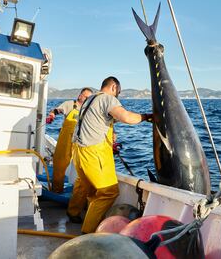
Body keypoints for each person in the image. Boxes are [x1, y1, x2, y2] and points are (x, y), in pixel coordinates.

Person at [66, 76, 153, 233]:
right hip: (93, 153)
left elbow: (99, 121)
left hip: (78, 152)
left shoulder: (90, 99)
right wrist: (146, 117)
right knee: (108, 192)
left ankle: (73, 212)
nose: (117, 96)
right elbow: (126, 117)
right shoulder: (108, 99)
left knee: (87, 186)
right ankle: (87, 233)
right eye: (118, 92)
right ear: (113, 87)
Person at [46, 87, 93, 193]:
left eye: (89, 98)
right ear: (80, 95)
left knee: (84, 168)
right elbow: (58, 110)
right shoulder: (69, 104)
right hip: (66, 140)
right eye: (85, 96)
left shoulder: (89, 110)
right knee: (59, 165)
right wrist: (52, 114)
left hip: (81, 142)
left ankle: (82, 193)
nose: (86, 99)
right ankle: (56, 191)